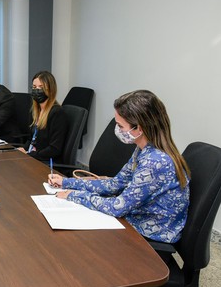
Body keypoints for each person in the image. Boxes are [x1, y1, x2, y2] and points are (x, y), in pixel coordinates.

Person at [49, 89, 190, 244]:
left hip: (150, 235)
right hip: (137, 217)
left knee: (79, 241)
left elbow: (118, 207)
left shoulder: (155, 162)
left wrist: (73, 195)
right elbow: (115, 184)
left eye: (120, 126)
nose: (117, 130)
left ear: (139, 128)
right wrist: (66, 183)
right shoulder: (143, 149)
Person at [17, 71, 67, 162]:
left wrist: (30, 155)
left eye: (41, 87)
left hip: (46, 162)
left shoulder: (57, 113)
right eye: (34, 87)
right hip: (34, 157)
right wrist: (23, 149)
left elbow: (54, 149)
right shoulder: (35, 111)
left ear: (50, 90)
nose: (36, 90)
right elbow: (31, 139)